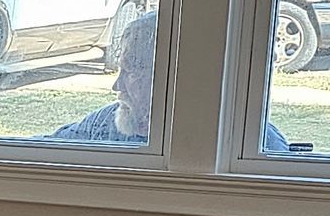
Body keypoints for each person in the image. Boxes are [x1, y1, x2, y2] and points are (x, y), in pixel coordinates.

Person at [51, 12, 298, 149]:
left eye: (131, 72)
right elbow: (46, 151)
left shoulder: (250, 142)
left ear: (169, 79)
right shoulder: (103, 126)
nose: (117, 86)